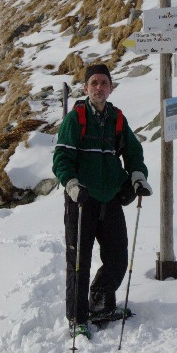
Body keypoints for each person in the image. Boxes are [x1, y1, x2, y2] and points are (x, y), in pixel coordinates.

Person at [53, 63, 152, 338]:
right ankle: (77, 317)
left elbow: (134, 153)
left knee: (118, 257)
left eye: (103, 83)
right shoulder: (76, 119)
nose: (99, 87)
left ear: (110, 88)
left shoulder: (117, 119)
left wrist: (137, 178)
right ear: (86, 88)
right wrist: (71, 185)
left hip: (109, 200)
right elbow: (61, 158)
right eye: (94, 83)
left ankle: (100, 302)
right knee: (79, 261)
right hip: (81, 201)